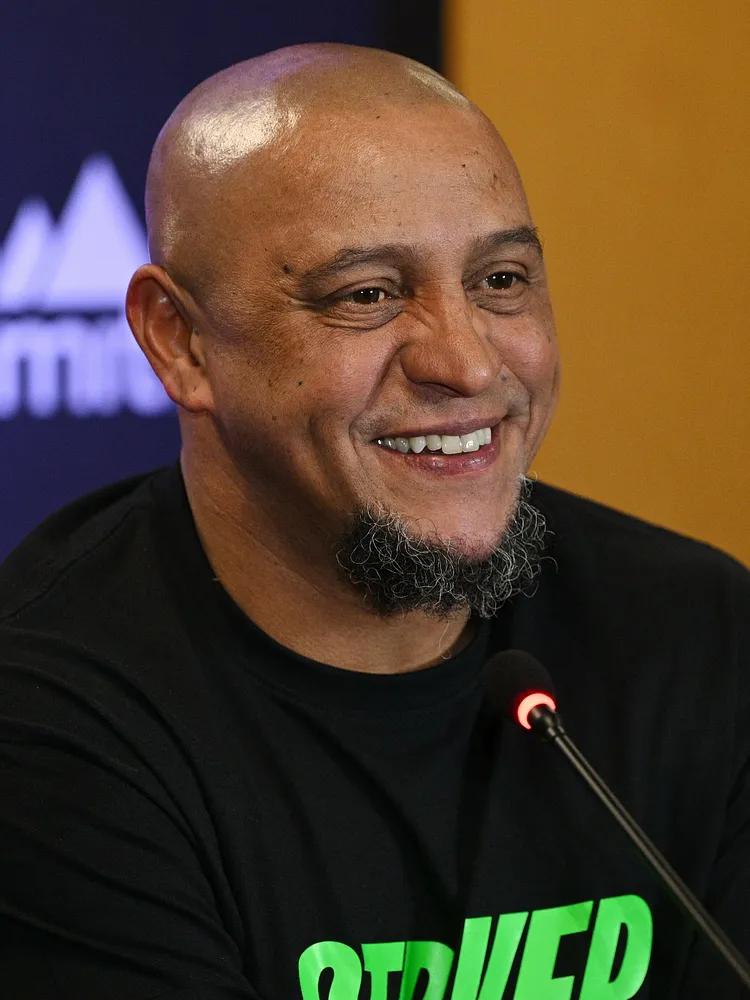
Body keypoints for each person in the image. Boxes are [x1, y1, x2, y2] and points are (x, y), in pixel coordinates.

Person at [0, 43, 747, 1000]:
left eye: (501, 280)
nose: (468, 365)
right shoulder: (46, 717)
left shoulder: (697, 635)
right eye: (368, 295)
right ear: (179, 341)